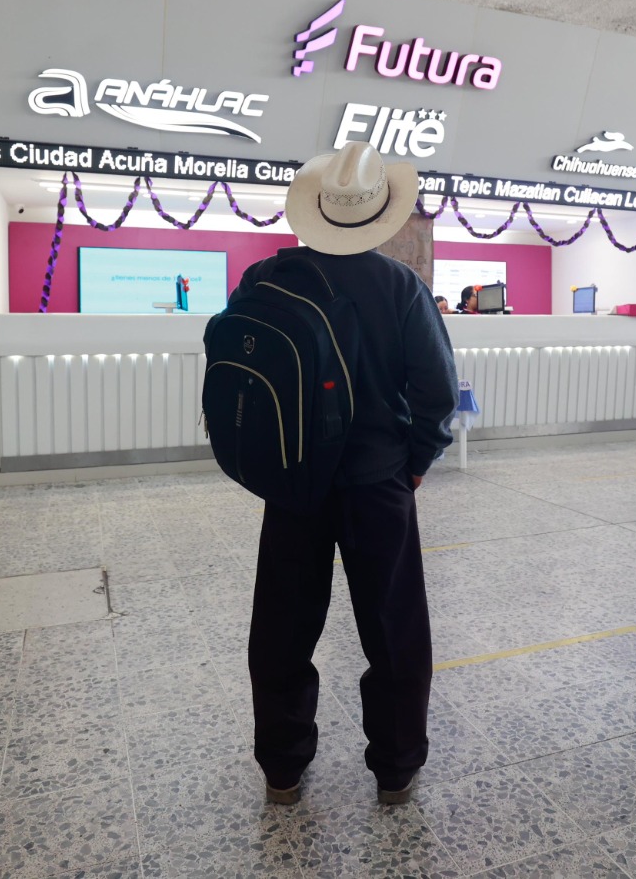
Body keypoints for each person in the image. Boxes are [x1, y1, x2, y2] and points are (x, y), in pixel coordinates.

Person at [233, 142, 458, 807]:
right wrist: (413, 464)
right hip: (376, 482)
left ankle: (282, 767)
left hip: (292, 482)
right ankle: (394, 770)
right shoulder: (401, 288)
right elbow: (437, 393)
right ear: (381, 215)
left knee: (282, 625)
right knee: (392, 628)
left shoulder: (263, 280)